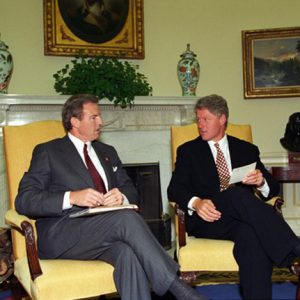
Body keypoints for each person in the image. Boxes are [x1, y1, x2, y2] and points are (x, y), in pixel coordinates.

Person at [15, 94, 207, 300]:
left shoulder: (107, 152)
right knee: (125, 219)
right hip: (62, 234)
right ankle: (179, 288)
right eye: (94, 117)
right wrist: (71, 197)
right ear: (75, 121)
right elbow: (25, 199)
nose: (101, 122)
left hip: (104, 233)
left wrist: (122, 197)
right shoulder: (49, 151)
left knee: (128, 253)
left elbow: (131, 189)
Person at [167, 94, 300, 300]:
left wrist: (261, 182)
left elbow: (273, 188)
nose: (200, 125)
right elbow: (174, 188)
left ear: (222, 119)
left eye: (206, 119)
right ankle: (294, 247)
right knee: (235, 193)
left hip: (241, 220)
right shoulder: (189, 151)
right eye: (198, 119)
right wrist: (197, 202)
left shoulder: (246, 149)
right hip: (208, 219)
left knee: (252, 237)